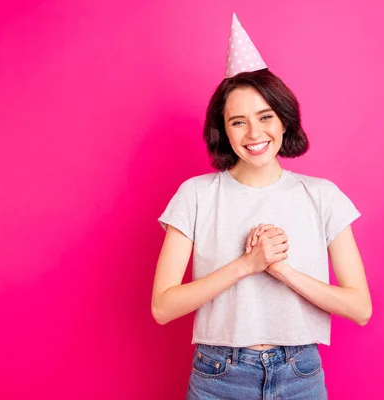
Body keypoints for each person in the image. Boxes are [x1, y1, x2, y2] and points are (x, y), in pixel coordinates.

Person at [151, 13, 372, 400]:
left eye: (265, 117)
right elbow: (163, 307)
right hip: (219, 375)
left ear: (284, 121)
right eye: (238, 122)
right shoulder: (196, 195)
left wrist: (281, 271)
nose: (254, 134)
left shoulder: (321, 196)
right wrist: (246, 266)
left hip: (299, 373)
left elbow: (360, 308)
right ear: (224, 130)